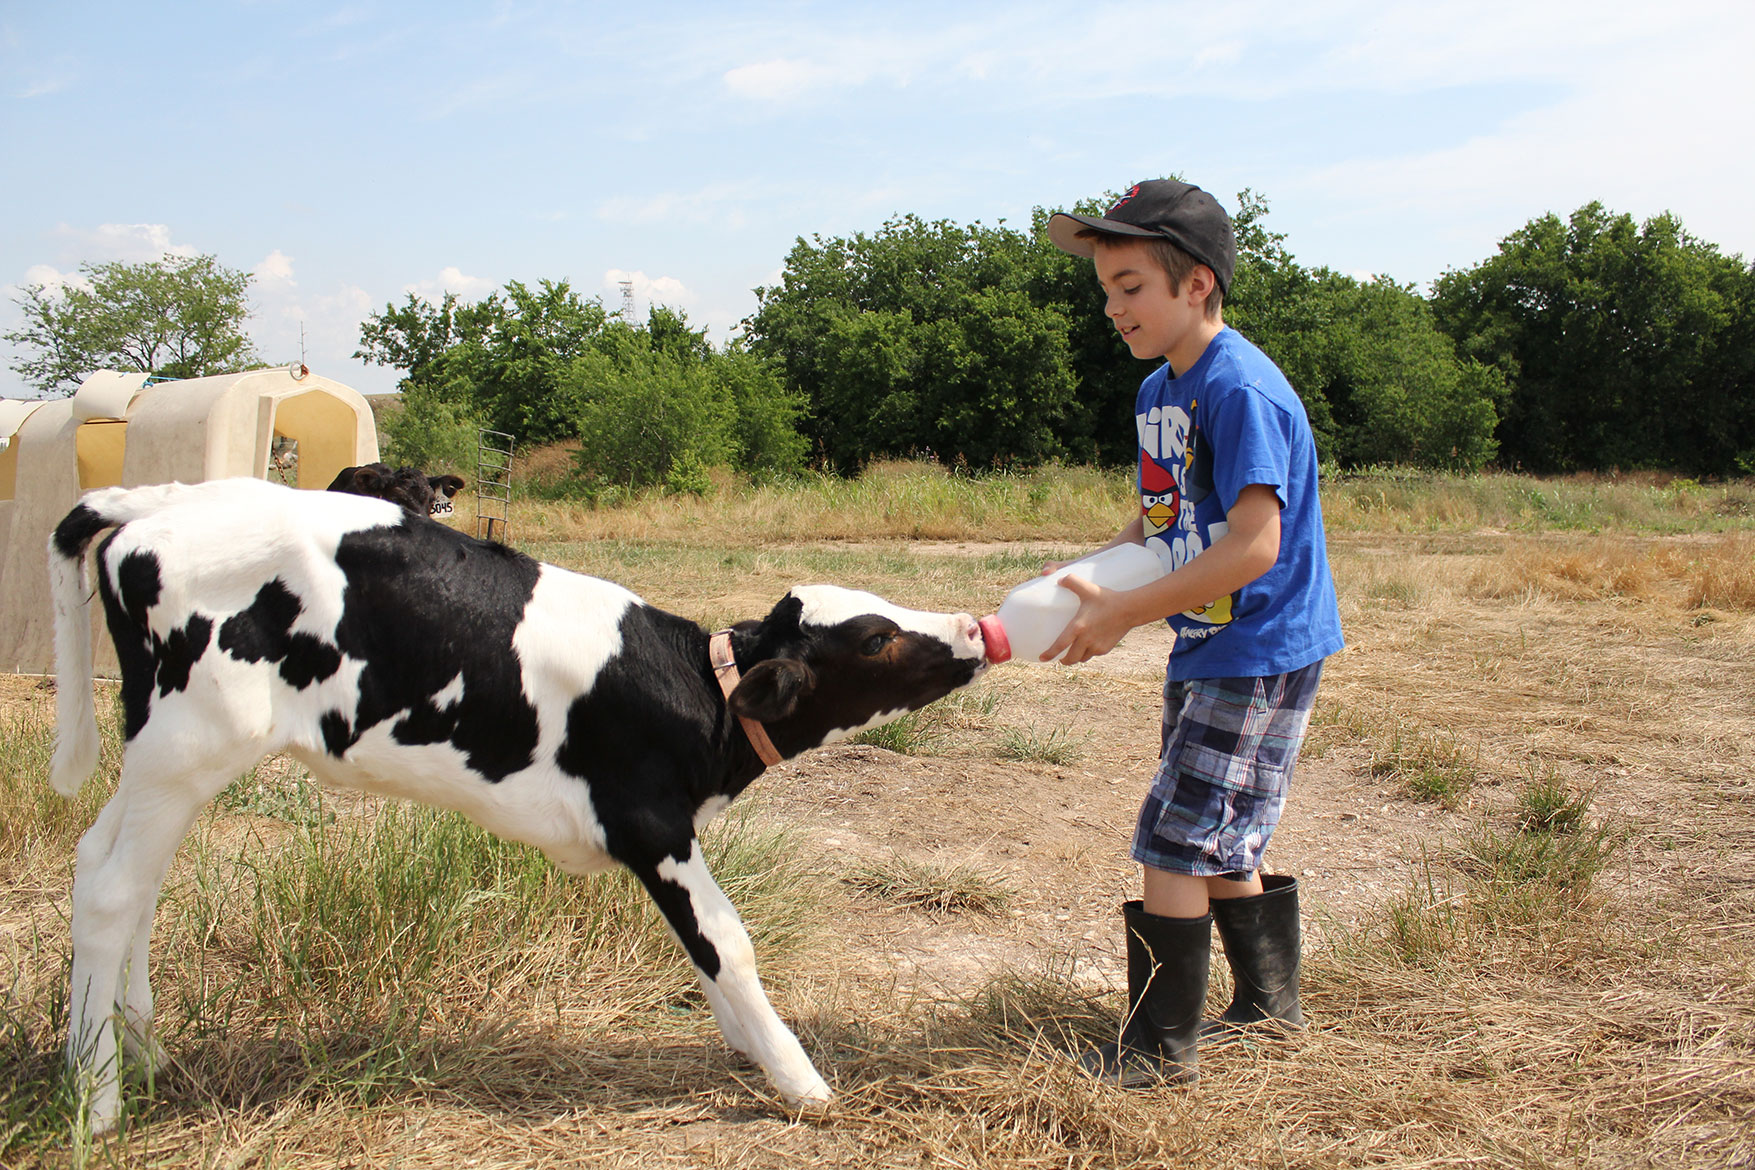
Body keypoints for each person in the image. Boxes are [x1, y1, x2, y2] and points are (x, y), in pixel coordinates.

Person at [1040, 179, 1345, 1086]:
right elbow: (1157, 520)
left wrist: (1127, 615)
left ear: (1197, 283)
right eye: (1105, 288)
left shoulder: (1239, 387)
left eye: (1130, 285)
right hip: (1207, 643)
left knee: (1174, 835)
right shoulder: (1156, 392)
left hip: (1258, 648)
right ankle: (1266, 1007)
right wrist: (1082, 582)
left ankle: (1157, 1050)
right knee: (1218, 832)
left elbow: (1255, 546)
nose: (1112, 307)